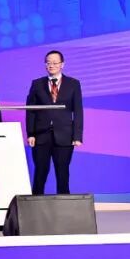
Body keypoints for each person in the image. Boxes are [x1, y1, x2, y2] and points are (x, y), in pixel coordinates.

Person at [26, 50, 84, 195]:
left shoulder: (73, 84)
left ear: (62, 64)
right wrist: (31, 133)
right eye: (48, 63)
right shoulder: (37, 84)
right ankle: (36, 203)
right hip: (41, 135)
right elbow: (31, 110)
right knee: (40, 171)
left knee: (62, 172)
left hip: (64, 136)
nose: (51, 65)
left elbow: (78, 111)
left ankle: (64, 205)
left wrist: (77, 136)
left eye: (54, 62)